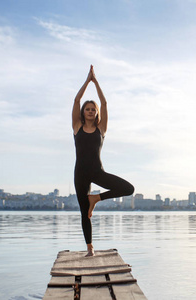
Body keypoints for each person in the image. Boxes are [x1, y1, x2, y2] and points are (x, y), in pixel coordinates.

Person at [72, 65, 134, 257]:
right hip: (80, 173)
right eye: (87, 109)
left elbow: (105, 104)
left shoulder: (101, 129)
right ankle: (90, 248)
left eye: (93, 109)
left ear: (96, 112)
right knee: (84, 212)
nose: (90, 111)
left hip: (97, 172)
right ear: (83, 112)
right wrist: (86, 81)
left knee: (128, 189)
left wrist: (96, 82)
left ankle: (96, 198)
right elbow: (76, 100)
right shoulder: (77, 127)